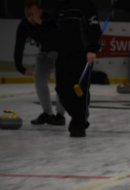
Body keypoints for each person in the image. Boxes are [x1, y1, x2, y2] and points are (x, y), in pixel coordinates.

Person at [13, 0, 66, 126]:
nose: (30, 18)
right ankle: (47, 113)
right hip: (45, 53)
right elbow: (19, 46)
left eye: (32, 14)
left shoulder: (51, 18)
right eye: (27, 15)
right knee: (39, 79)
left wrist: (41, 23)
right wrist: (20, 67)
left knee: (62, 83)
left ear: (40, 11)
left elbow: (57, 35)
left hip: (61, 52)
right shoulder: (24, 25)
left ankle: (60, 115)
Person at [54, 0, 101, 138]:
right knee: (61, 89)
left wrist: (93, 49)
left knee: (81, 92)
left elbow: (95, 28)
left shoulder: (86, 6)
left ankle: (79, 123)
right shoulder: (61, 6)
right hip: (63, 55)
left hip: (82, 55)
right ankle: (79, 116)